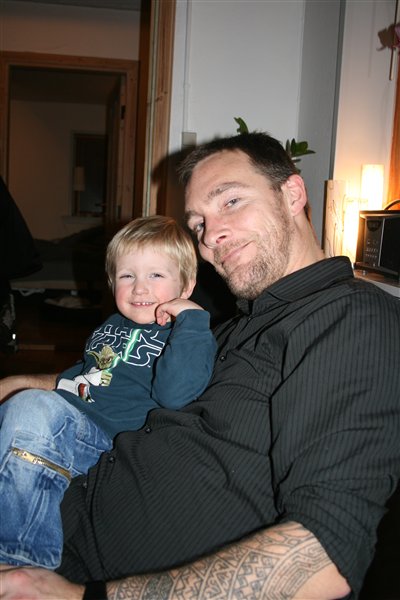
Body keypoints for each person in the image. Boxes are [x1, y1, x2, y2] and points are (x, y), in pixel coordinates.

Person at [1, 132, 400, 600]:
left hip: (72, 575)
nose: (211, 236)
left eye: (231, 201)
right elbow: (124, 377)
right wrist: (24, 385)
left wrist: (81, 597)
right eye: (198, 224)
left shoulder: (349, 317)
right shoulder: (235, 326)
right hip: (47, 499)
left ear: (292, 194)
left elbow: (323, 560)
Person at [0, 215, 217, 569]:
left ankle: (18, 560)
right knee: (19, 410)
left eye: (156, 275)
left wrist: (192, 320)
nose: (139, 289)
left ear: (187, 285)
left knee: (30, 410)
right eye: (127, 276)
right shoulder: (112, 326)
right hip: (70, 418)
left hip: (106, 439)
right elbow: (86, 374)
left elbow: (176, 395)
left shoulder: (187, 336)